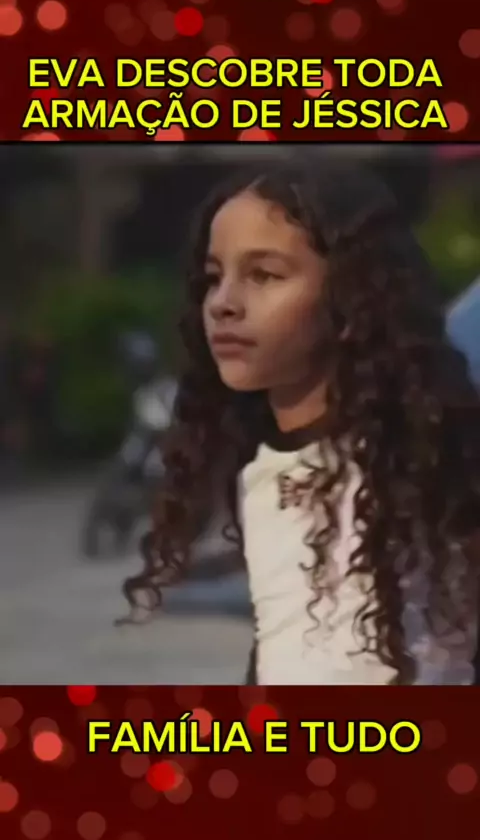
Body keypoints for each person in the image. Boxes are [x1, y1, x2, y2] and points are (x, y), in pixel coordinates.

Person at [120, 156, 480, 686]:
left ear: (352, 297)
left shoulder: (431, 457)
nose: (223, 303)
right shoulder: (256, 465)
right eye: (214, 278)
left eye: (264, 275)